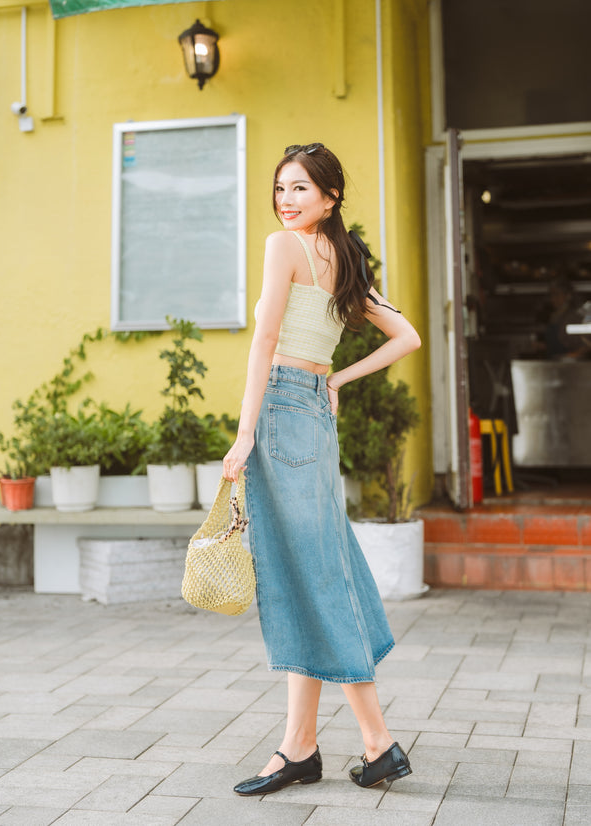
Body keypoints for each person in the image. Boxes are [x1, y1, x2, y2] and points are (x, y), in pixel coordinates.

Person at [222, 142, 421, 796]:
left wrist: (245, 431)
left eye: (300, 188)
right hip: (312, 411)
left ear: (330, 196)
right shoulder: (345, 257)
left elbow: (265, 340)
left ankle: (377, 740)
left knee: (309, 573)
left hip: (283, 408)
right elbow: (406, 336)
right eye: (281, 188)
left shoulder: (286, 249)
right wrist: (339, 377)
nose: (286, 200)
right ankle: (298, 747)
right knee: (309, 570)